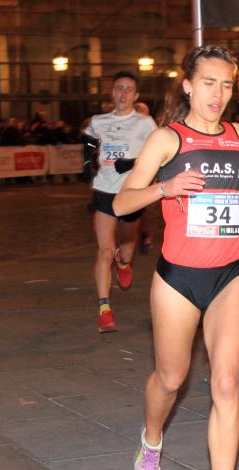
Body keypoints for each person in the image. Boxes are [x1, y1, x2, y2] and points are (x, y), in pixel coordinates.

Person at [113, 44, 239, 470]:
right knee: (171, 378)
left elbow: (235, 192)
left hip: (232, 273)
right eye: (210, 83)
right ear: (189, 86)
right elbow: (124, 199)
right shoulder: (167, 140)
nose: (219, 94)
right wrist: (165, 190)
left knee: (227, 384)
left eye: (228, 84)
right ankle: (152, 439)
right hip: (179, 277)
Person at [84, 70, 157, 332]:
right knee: (104, 251)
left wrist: (133, 162)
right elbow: (90, 144)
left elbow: (158, 154)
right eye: (119, 88)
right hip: (104, 191)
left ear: (135, 96)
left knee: (125, 249)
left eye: (128, 89)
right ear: (112, 93)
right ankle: (104, 309)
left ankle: (124, 262)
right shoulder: (98, 121)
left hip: (131, 194)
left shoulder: (145, 124)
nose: (123, 93)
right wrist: (86, 166)